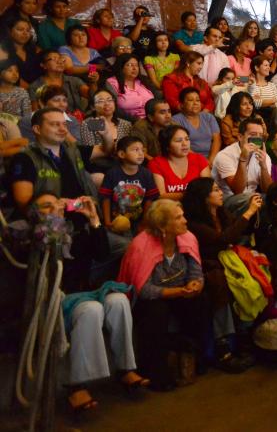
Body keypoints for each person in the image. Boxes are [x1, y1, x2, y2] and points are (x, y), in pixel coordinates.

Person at [32, 194, 147, 413]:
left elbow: (102, 253)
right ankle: (76, 385)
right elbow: (49, 258)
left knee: (119, 301)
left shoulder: (73, 232)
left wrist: (94, 220)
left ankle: (125, 368)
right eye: (47, 206)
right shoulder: (35, 235)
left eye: (56, 203)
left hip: (85, 291)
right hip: (59, 297)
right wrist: (54, 221)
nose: (55, 208)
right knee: (91, 310)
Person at [117, 200, 206, 392]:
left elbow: (196, 271)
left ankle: (192, 359)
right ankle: (156, 374)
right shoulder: (141, 246)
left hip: (180, 291)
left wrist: (195, 284)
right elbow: (144, 289)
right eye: (178, 218)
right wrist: (177, 292)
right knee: (156, 311)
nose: (185, 221)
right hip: (151, 298)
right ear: (162, 226)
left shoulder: (187, 238)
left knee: (199, 302)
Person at [181, 178, 261, 373]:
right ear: (204, 198)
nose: (220, 193)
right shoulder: (194, 223)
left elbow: (239, 230)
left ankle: (246, 336)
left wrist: (254, 213)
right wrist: (248, 212)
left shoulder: (221, 213)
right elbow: (223, 239)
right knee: (221, 285)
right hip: (207, 267)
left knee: (255, 272)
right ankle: (223, 349)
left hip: (226, 262)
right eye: (215, 190)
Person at [99, 135, 159, 253]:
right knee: (125, 247)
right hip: (117, 220)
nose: (140, 153)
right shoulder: (112, 174)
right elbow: (105, 198)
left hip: (138, 221)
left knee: (141, 246)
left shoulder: (146, 174)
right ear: (122, 154)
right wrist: (107, 221)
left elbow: (149, 200)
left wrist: (145, 223)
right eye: (135, 150)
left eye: (142, 150)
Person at [211, 116, 273, 211]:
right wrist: (243, 160)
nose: (257, 138)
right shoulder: (224, 156)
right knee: (256, 199)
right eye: (253, 134)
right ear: (240, 137)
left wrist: (263, 166)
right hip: (227, 199)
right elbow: (237, 191)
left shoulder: (264, 156)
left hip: (252, 196)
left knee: (275, 197)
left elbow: (268, 190)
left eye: (260, 135)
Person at [150, 124, 211, 200]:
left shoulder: (199, 159)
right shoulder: (156, 163)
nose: (185, 144)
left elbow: (207, 190)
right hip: (168, 207)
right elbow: (161, 195)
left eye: (187, 139)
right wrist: (191, 195)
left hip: (196, 206)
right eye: (179, 141)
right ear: (167, 146)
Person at [172, 87, 221, 163]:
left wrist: (211, 160)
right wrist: (202, 162)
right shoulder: (176, 120)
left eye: (198, 100)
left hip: (212, 158)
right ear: (182, 104)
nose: (195, 103)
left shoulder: (208, 117)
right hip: (189, 159)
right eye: (190, 100)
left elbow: (217, 140)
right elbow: (182, 145)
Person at [2, 17, 42, 85]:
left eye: (28, 30)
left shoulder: (35, 50)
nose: (25, 33)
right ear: (10, 31)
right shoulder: (2, 51)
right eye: (20, 29)